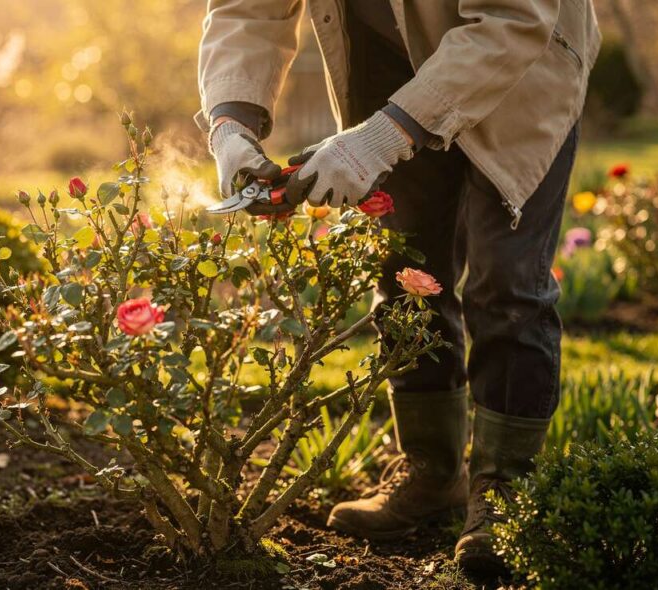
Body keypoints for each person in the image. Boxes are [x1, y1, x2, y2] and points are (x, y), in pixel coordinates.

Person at [197, 0, 600, 574]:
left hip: (518, 67)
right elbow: (248, 10)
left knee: (507, 288)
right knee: (407, 275)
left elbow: (513, 18)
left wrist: (380, 140)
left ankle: (505, 494)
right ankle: (432, 474)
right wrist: (230, 123)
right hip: (391, 72)